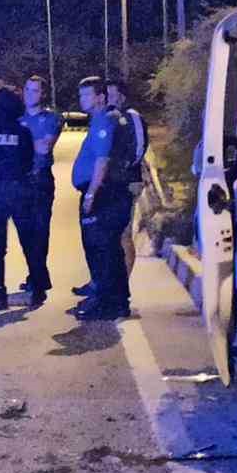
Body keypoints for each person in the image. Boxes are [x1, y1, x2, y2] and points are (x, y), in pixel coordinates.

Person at [68, 76, 137, 320]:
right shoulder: (104, 119)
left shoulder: (104, 121)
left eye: (87, 95)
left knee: (102, 250)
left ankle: (107, 303)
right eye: (81, 95)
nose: (82, 99)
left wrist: (91, 194)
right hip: (108, 193)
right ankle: (115, 301)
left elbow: (102, 160)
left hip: (102, 194)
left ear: (100, 97)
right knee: (109, 250)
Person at [0, 88, 49, 309]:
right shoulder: (23, 132)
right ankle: (37, 289)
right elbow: (29, 160)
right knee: (29, 242)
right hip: (19, 190)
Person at [18, 75, 62, 294]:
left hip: (40, 179)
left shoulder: (52, 118)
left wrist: (19, 144)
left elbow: (45, 148)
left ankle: (38, 277)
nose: (29, 94)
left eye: (35, 90)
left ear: (43, 94)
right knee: (25, 232)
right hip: (21, 181)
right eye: (27, 89)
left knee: (40, 230)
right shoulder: (18, 118)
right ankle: (37, 275)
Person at [107, 79, 149, 278]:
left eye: (111, 94)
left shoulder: (132, 116)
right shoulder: (111, 117)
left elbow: (139, 147)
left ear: (121, 96)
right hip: (113, 183)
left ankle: (123, 283)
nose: (108, 98)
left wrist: (124, 167)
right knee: (110, 235)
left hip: (128, 182)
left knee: (123, 234)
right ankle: (107, 282)